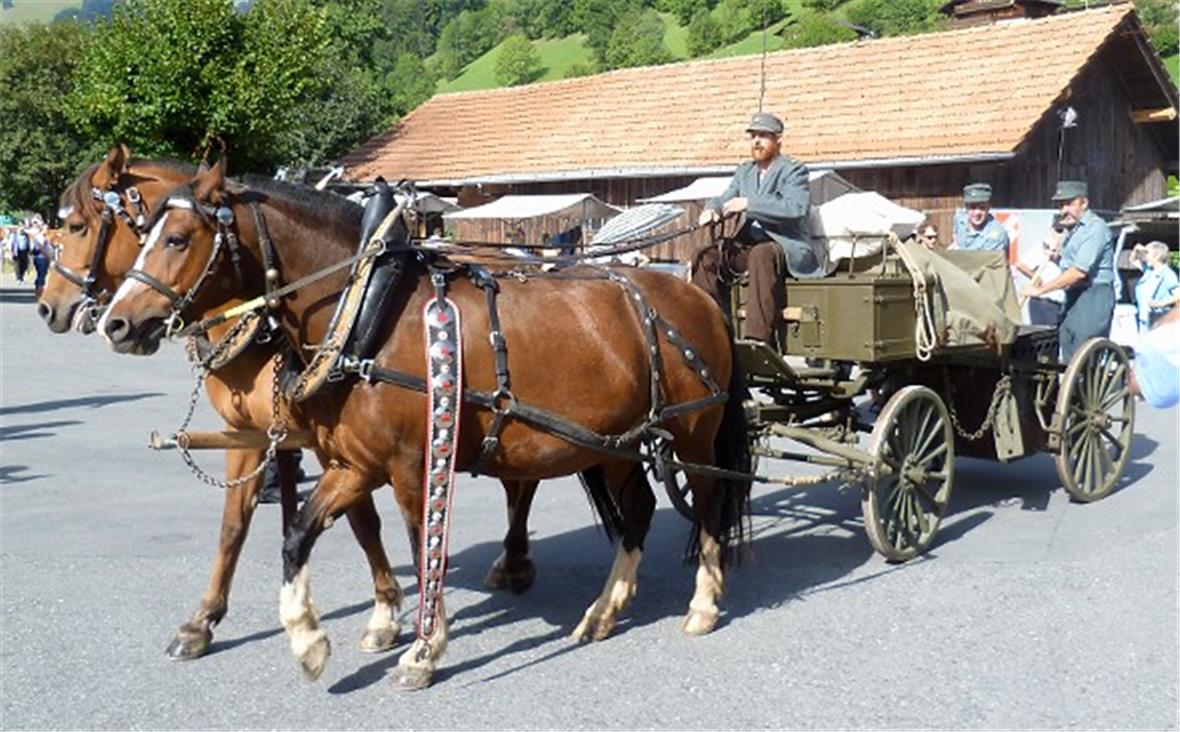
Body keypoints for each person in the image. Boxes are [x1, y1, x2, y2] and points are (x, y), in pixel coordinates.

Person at [692, 111, 822, 343]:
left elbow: (795, 209)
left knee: (761, 255)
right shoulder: (746, 171)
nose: (756, 141)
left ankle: (757, 339)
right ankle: (709, 329)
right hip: (750, 246)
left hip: (785, 245)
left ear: (778, 140)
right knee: (705, 256)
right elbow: (726, 197)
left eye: (763, 136)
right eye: (753, 136)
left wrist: (750, 204)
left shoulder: (793, 170)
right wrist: (711, 209)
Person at [1022, 180, 1117, 361]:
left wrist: (1040, 290)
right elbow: (1069, 264)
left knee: (1083, 350)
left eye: (1069, 203)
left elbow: (1078, 272)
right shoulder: (1071, 232)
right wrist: (1056, 257)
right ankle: (1069, 388)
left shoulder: (1095, 228)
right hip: (1074, 295)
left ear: (1084, 203)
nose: (1064, 209)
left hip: (1094, 295)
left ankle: (1083, 387)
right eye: (1061, 205)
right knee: (1066, 342)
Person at [1015, 223, 1067, 326]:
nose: (1058, 234)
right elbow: (1020, 264)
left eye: (1061, 231)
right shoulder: (1041, 247)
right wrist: (1036, 277)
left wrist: (1058, 253)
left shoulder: (1069, 248)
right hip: (1042, 302)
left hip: (1059, 303)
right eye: (1057, 230)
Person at [1130, 241, 1178, 331]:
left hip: (1158, 318)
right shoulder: (1149, 272)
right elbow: (1134, 260)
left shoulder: (1167, 274)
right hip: (1144, 317)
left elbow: (1178, 295)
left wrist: (1160, 304)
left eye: (1148, 254)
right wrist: (1138, 250)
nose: (1146, 257)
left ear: (1157, 256)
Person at [952, 183, 1010, 254]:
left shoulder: (996, 235)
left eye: (982, 208)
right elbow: (955, 241)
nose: (977, 213)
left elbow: (985, 262)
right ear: (966, 207)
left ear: (988, 207)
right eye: (973, 207)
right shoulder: (959, 219)